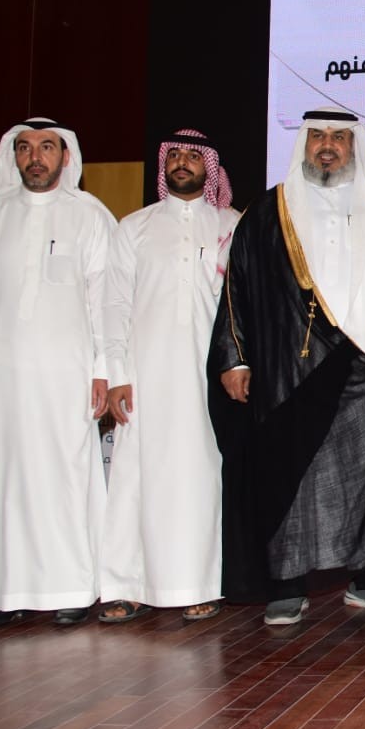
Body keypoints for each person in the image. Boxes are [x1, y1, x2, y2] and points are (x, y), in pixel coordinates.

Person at [209, 110, 365, 625]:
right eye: (317, 137)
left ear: (355, 146)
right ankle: (286, 584)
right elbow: (236, 289)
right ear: (303, 144)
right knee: (289, 474)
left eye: (339, 137)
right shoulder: (268, 212)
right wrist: (235, 356)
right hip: (286, 370)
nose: (327, 146)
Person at [0, 118, 116, 629]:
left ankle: (71, 588)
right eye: (24, 148)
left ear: (66, 156)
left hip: (66, 374)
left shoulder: (90, 215)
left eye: (46, 147)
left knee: (63, 478)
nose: (34, 157)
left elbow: (104, 301)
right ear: (12, 155)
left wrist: (103, 370)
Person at [97, 129, 241, 624]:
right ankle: (128, 585)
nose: (182, 162)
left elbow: (244, 308)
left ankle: (202, 584)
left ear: (210, 166)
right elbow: (114, 304)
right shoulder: (134, 227)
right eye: (174, 154)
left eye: (193, 155)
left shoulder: (233, 226)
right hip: (144, 374)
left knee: (203, 477)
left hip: (209, 378)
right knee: (135, 478)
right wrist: (117, 374)